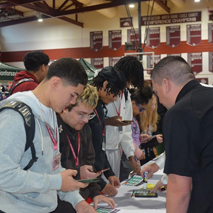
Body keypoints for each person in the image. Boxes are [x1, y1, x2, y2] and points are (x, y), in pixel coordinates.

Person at [0, 57, 98, 213]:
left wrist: (77, 201)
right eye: (72, 95)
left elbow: (51, 168)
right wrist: (56, 181)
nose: (73, 102)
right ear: (56, 83)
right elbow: (3, 175)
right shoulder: (16, 115)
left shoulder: (51, 113)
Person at [149, 56, 213, 212]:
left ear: (166, 84)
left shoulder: (179, 113)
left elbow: (180, 189)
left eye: (157, 93)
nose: (161, 101)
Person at [53, 84, 115, 212]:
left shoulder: (84, 129)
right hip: (57, 204)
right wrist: (78, 171)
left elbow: (89, 163)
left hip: (79, 202)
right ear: (65, 107)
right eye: (81, 114)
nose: (86, 120)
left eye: (89, 115)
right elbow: (49, 171)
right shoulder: (52, 130)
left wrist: (96, 192)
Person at [104, 56, 144, 179]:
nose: (128, 85)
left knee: (113, 189)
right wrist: (109, 122)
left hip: (115, 151)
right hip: (101, 149)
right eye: (129, 80)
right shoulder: (103, 88)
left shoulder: (126, 95)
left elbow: (127, 131)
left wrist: (131, 156)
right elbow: (90, 119)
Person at [89, 66, 126, 197]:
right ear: (105, 84)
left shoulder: (98, 106)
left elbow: (98, 147)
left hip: (93, 177)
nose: (115, 98)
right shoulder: (87, 106)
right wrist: (100, 184)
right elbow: (82, 153)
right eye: (115, 93)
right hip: (86, 178)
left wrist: (109, 173)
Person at [119, 87, 152, 181]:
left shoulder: (133, 118)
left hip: (133, 156)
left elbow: (132, 136)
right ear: (133, 103)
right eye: (141, 109)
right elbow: (124, 137)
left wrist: (140, 138)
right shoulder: (125, 117)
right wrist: (137, 150)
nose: (141, 113)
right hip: (127, 156)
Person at [139, 94, 163, 165]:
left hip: (149, 155)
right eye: (152, 105)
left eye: (155, 105)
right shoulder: (138, 119)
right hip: (139, 156)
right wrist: (155, 140)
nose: (154, 107)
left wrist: (156, 140)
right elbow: (138, 143)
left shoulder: (155, 119)